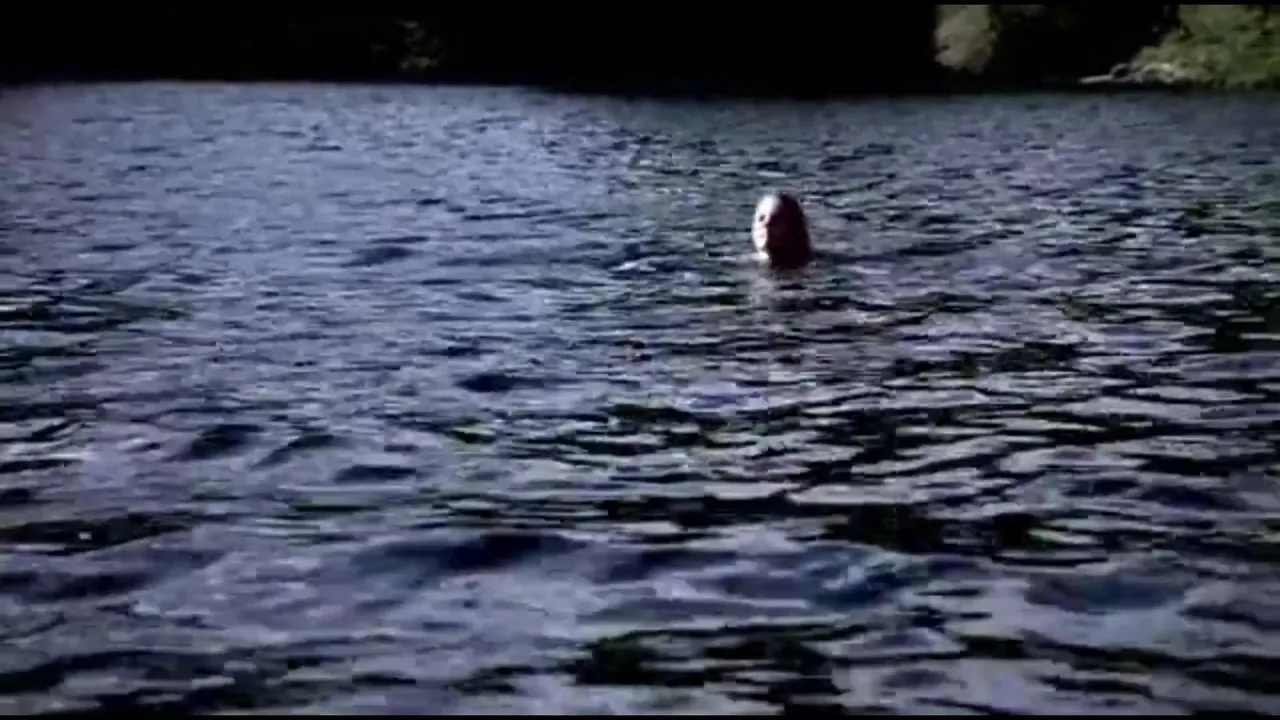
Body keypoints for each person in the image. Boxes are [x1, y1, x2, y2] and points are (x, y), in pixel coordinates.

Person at [751, 191, 813, 269]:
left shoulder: (814, 267)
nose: (767, 224)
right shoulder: (743, 265)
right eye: (761, 218)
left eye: (776, 219)